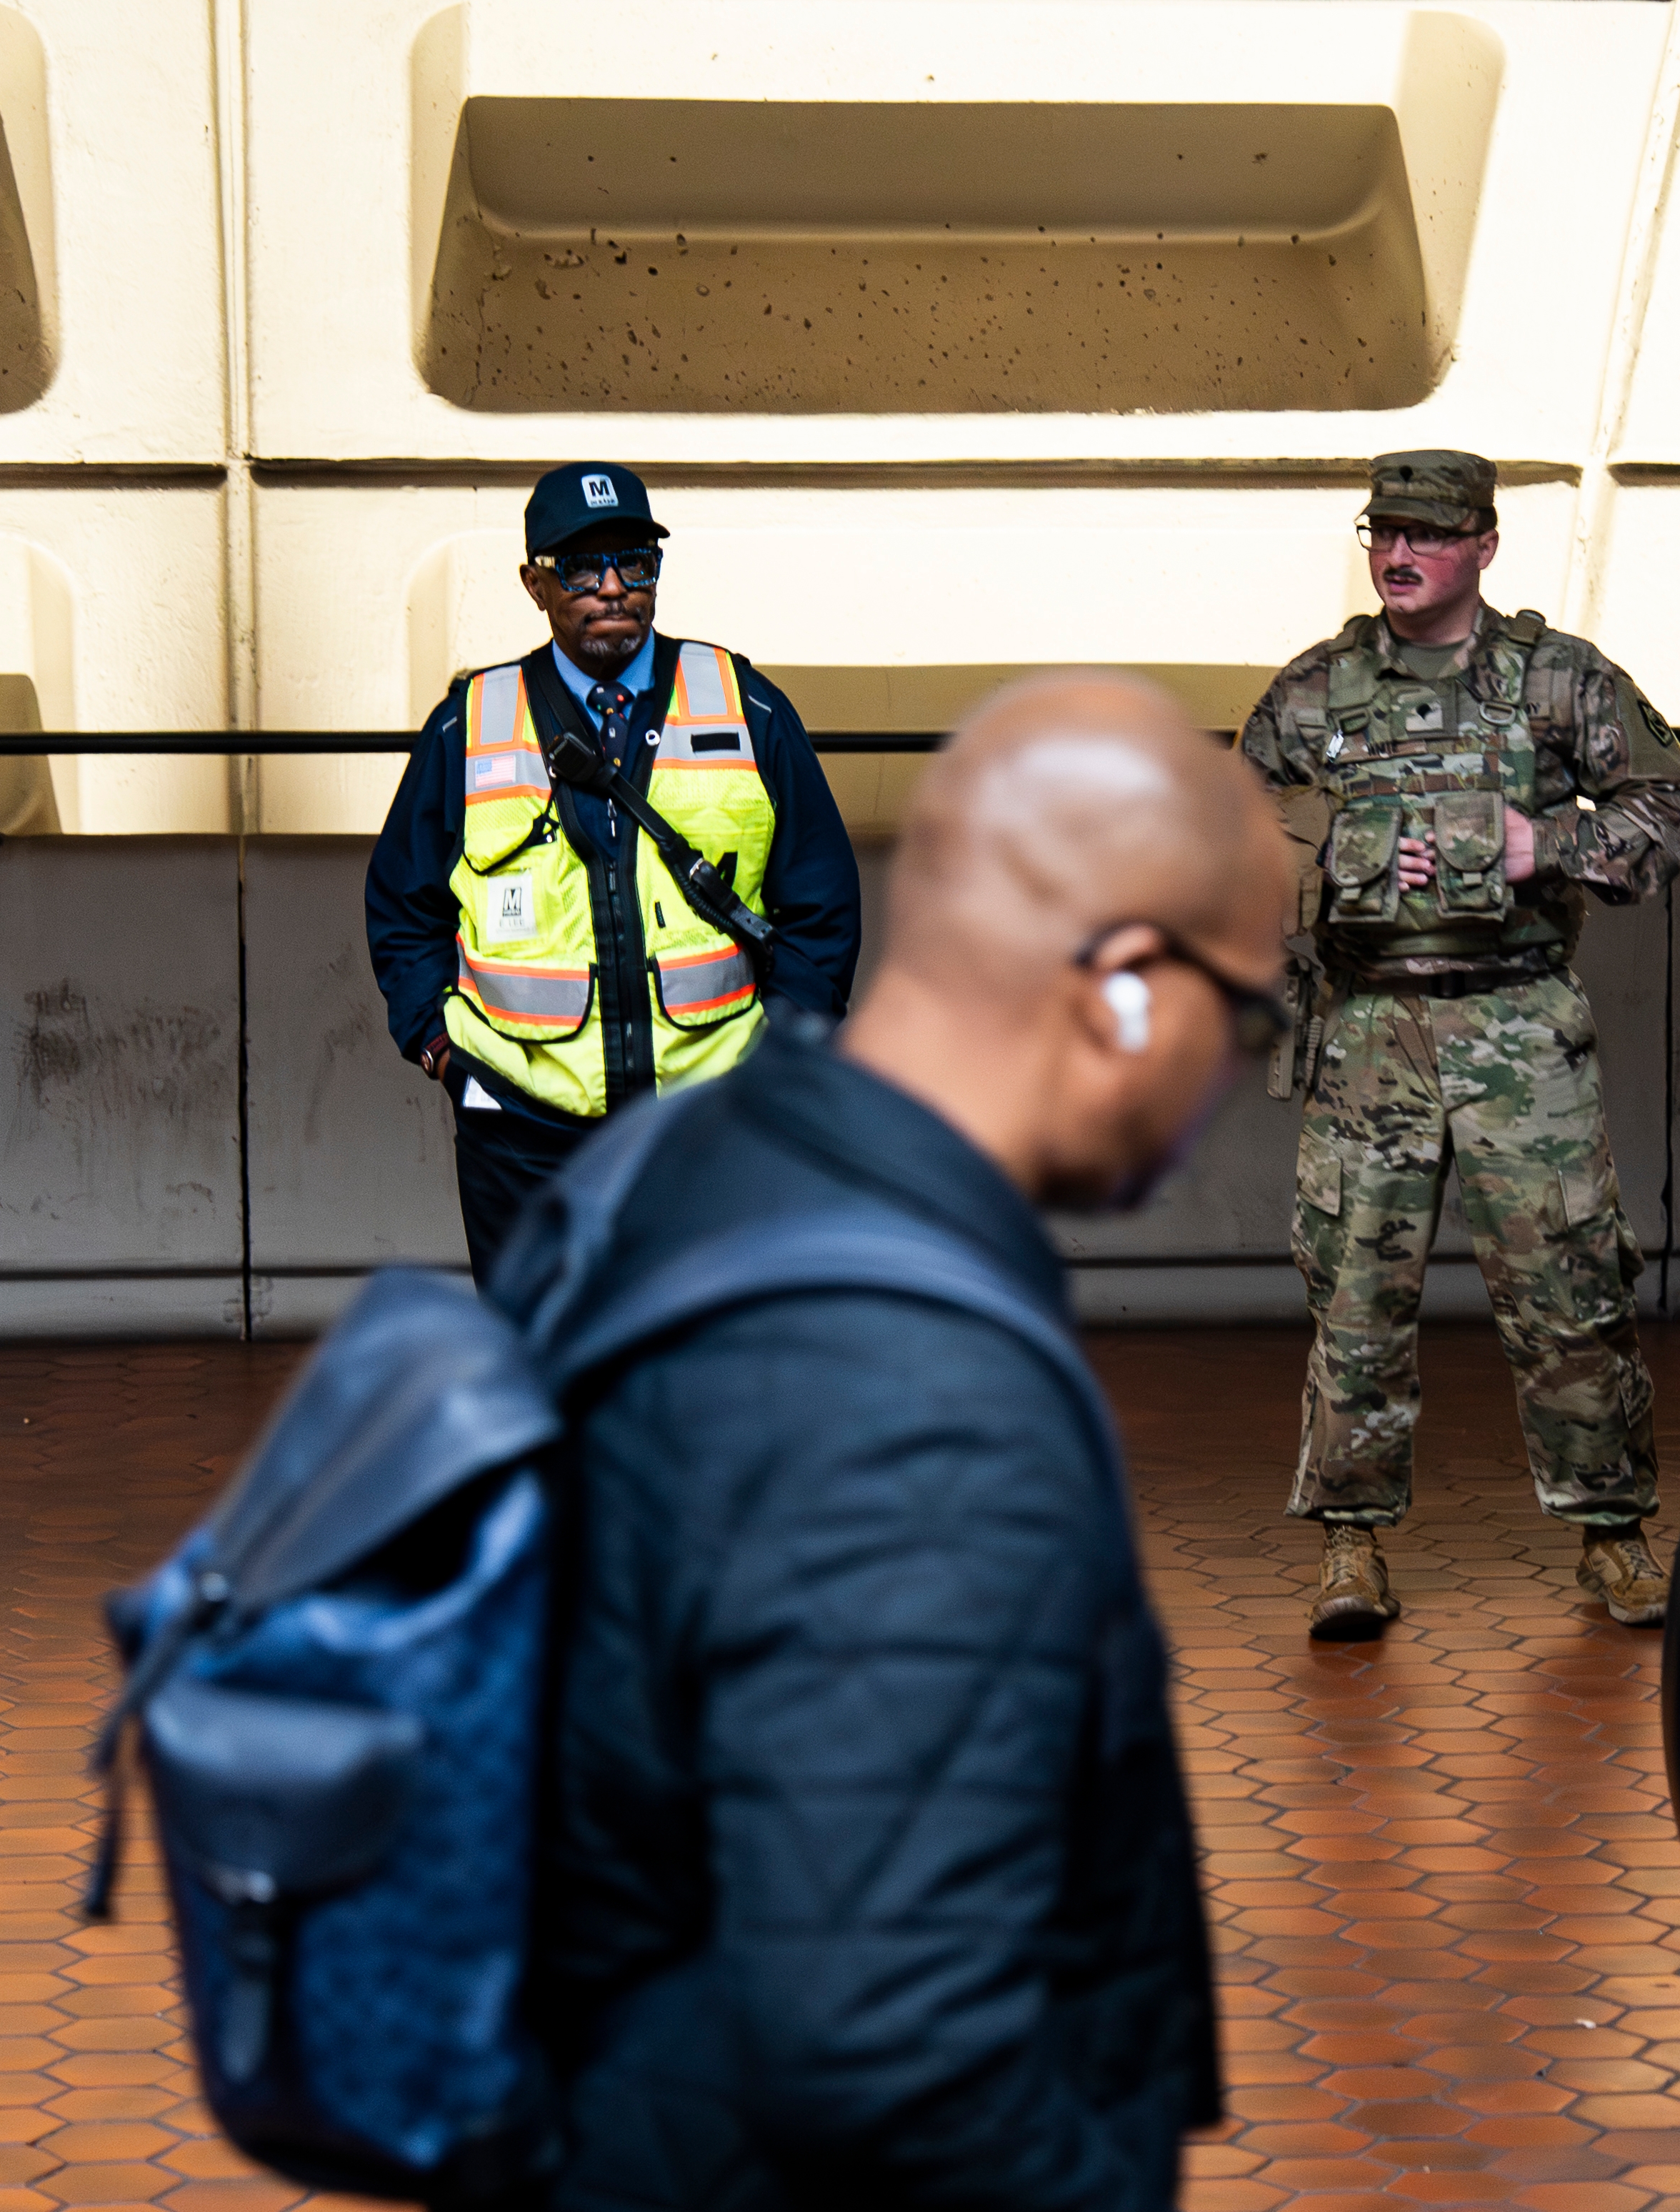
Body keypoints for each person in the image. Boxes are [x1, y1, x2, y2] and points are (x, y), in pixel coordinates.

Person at [516, 672, 1291, 2211]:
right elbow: (889, 2051)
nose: (1237, 1073)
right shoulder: (915, 1399)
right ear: (1127, 983)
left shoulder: (696, 1162)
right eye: (1250, 1013)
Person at [1241, 449, 1680, 1640]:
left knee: (1572, 1287)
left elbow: (1669, 817)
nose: (1399, 555)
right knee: (1356, 1295)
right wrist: (1345, 859)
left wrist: (1538, 849)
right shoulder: (1313, 694)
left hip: (1518, 1027)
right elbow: (1223, 844)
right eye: (1384, 533)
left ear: (1486, 547)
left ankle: (1614, 1536)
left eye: (1429, 536)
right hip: (1367, 1033)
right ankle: (1350, 1549)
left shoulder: (1558, 682)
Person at [365, 462, 861, 1285]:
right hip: (521, 1128)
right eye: (582, 566)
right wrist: (441, 1052)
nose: (612, 588)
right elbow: (403, 905)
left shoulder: (746, 705)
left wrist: (783, 1052)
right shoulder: (469, 726)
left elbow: (821, 899)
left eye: (635, 562)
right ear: (535, 583)